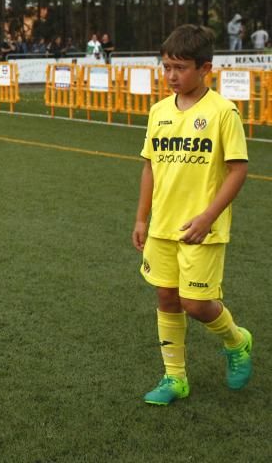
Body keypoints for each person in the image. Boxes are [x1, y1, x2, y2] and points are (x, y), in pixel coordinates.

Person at [132, 24, 252, 406]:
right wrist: (141, 218)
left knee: (197, 304)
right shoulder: (158, 112)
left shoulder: (223, 113)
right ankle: (174, 378)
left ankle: (237, 340)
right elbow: (149, 166)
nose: (171, 75)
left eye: (180, 67)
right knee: (166, 296)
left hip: (203, 228)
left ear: (205, 69)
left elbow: (238, 170)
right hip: (162, 227)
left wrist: (208, 217)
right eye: (166, 66)